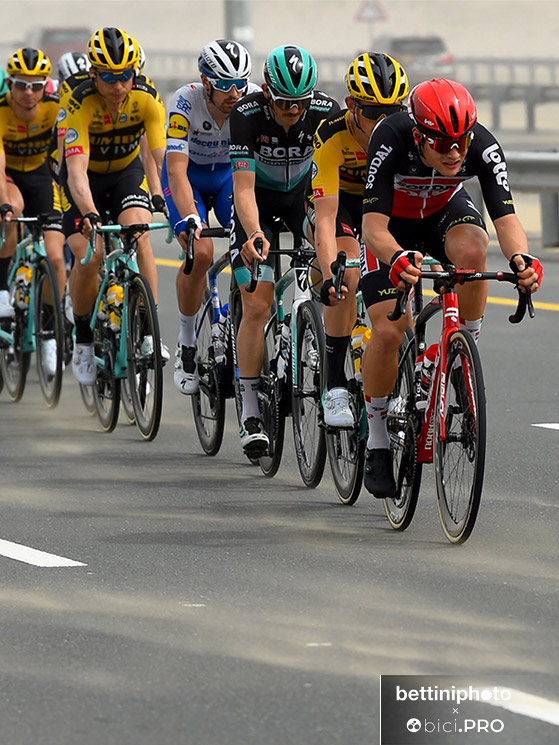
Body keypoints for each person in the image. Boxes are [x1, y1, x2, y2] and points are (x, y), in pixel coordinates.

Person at [360, 77, 543, 498]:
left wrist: (522, 260)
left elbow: (506, 218)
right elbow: (372, 227)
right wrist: (396, 257)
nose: (455, 152)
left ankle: (462, 353)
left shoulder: (481, 144)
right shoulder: (389, 136)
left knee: (475, 251)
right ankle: (377, 438)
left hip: (442, 214)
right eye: (442, 144)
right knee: (389, 331)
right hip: (392, 228)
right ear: (419, 135)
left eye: (461, 141)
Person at [228, 44, 339, 456]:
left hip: (301, 202)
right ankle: (251, 411)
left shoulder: (325, 112)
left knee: (332, 261)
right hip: (256, 202)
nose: (293, 111)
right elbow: (242, 187)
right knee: (257, 304)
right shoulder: (246, 114)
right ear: (265, 91)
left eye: (301, 103)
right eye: (284, 103)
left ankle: (312, 335)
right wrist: (254, 233)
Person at [58, 27, 167, 385]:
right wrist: (88, 212)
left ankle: (149, 330)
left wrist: (160, 195)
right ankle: (84, 339)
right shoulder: (78, 101)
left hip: (124, 172)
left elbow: (159, 157)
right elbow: (75, 172)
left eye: (125, 76)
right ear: (93, 74)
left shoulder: (148, 98)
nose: (119, 85)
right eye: (108, 76)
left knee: (140, 232)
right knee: (91, 254)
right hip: (84, 178)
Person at [306, 52, 409, 427]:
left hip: (382, 204)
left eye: (392, 111)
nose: (383, 122)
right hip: (341, 204)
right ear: (350, 106)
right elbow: (326, 216)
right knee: (347, 273)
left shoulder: (404, 133)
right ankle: (333, 384)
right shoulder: (332, 135)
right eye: (371, 111)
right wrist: (332, 263)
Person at [162, 39, 258, 395]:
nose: (235, 93)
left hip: (227, 180)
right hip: (189, 177)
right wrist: (190, 217)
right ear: (205, 82)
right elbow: (175, 171)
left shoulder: (251, 102)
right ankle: (187, 341)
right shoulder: (183, 102)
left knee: (248, 237)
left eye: (241, 83)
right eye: (225, 84)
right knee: (200, 252)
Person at [0, 47, 65, 376]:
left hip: (41, 177)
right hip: (7, 176)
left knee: (55, 257)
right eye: (21, 85)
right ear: (9, 85)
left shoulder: (56, 108)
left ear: (45, 86)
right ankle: (1, 288)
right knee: (12, 210)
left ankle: (51, 333)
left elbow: (67, 154)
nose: (28, 92)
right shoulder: (0, 111)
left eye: (36, 85)